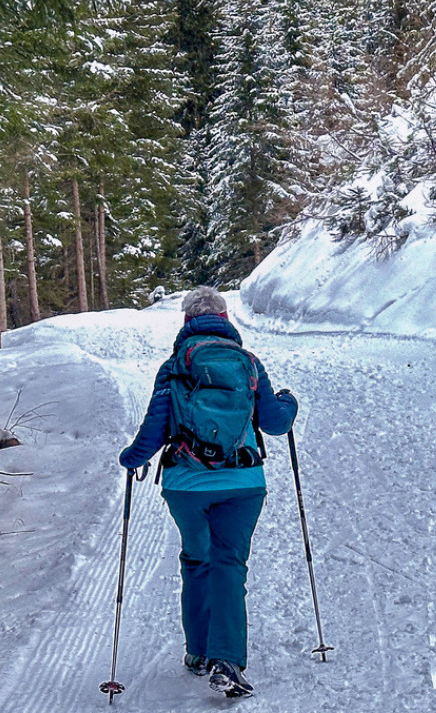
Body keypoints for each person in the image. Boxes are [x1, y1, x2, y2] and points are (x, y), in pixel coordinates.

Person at [119, 286, 298, 697]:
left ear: (186, 321)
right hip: (243, 483)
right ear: (226, 318)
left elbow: (153, 430)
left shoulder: (174, 366)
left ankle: (198, 653)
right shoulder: (248, 363)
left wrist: (132, 458)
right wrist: (289, 403)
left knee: (197, 559)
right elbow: (274, 423)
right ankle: (228, 660)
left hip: (186, 485)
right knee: (229, 564)